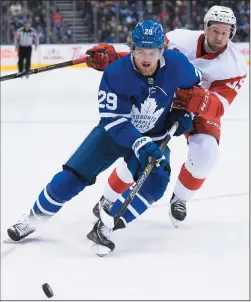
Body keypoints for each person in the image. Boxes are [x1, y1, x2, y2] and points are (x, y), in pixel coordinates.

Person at [7, 20, 201, 256]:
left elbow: (196, 88)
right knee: (73, 175)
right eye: (140, 51)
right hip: (115, 134)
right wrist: (140, 143)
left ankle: (108, 226)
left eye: (152, 52)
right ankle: (34, 218)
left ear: (163, 50)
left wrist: (186, 112)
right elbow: (115, 121)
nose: (146, 58)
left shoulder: (178, 64)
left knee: (157, 181)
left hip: (156, 135)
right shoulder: (116, 73)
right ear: (132, 49)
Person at [86, 6, 247, 229]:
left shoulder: (235, 65)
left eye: (225, 32)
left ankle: (179, 198)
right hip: (163, 98)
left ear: (232, 33)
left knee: (207, 153)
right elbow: (147, 58)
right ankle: (108, 197)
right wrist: (115, 58)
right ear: (205, 28)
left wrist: (200, 100)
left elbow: (219, 107)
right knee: (139, 151)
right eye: (215, 30)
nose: (219, 37)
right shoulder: (179, 39)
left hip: (199, 109)